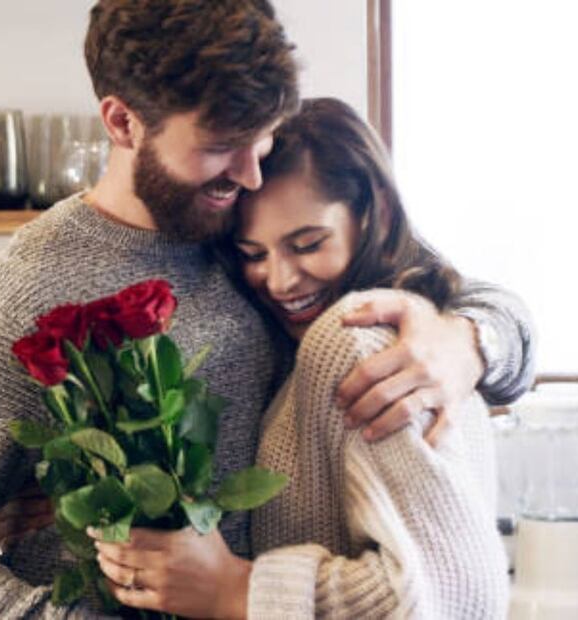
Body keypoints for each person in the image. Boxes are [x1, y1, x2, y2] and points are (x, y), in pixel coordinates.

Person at [0, 1, 534, 617]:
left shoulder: (263, 214)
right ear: (122, 121)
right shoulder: (32, 288)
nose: (249, 174)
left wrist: (470, 338)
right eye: (218, 147)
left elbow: (434, 284)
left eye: (260, 136)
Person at [90, 98, 513, 618]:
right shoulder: (307, 343)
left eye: (308, 243)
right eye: (254, 254)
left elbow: (457, 593)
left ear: (371, 210)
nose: (282, 280)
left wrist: (238, 590)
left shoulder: (356, 335)